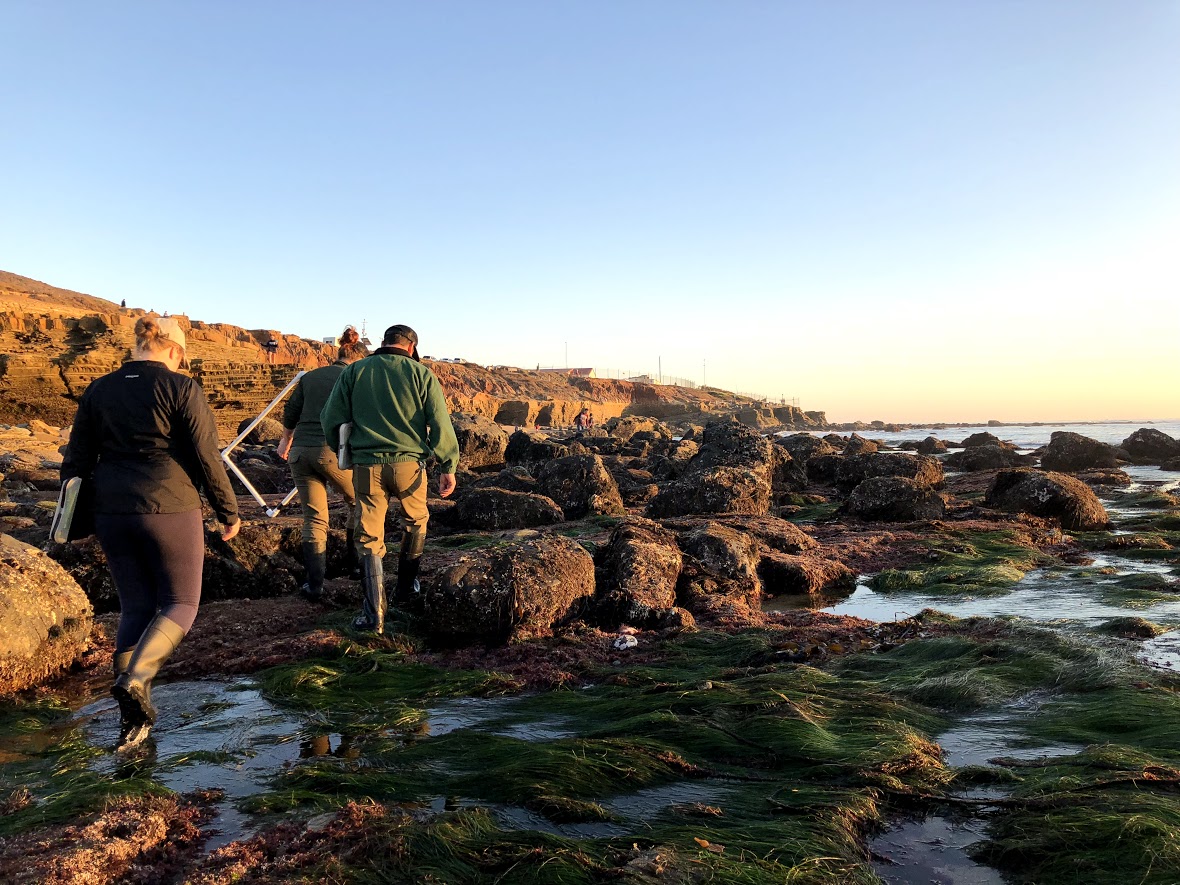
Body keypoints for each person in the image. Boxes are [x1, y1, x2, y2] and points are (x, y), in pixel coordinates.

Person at [61, 317, 240, 752]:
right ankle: (137, 680)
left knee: (136, 606)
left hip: (111, 508)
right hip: (168, 504)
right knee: (181, 602)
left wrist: (74, 519)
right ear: (176, 352)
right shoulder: (182, 388)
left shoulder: (100, 388)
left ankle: (132, 722)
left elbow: (76, 458)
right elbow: (205, 456)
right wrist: (227, 510)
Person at [320, 323, 459, 635]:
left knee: (369, 534)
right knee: (416, 521)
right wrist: (449, 465)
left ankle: (374, 615)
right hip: (409, 464)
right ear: (411, 347)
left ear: (384, 342)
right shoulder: (421, 374)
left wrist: (344, 450)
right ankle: (407, 589)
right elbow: (439, 422)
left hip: (367, 466)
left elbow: (330, 419)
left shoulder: (354, 372)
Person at [276, 326, 368, 599]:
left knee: (314, 517)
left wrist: (285, 440)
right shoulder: (354, 377)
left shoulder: (311, 377)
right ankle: (356, 568)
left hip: (301, 452)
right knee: (360, 503)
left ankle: (314, 585)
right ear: (359, 358)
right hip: (332, 452)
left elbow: (291, 410)